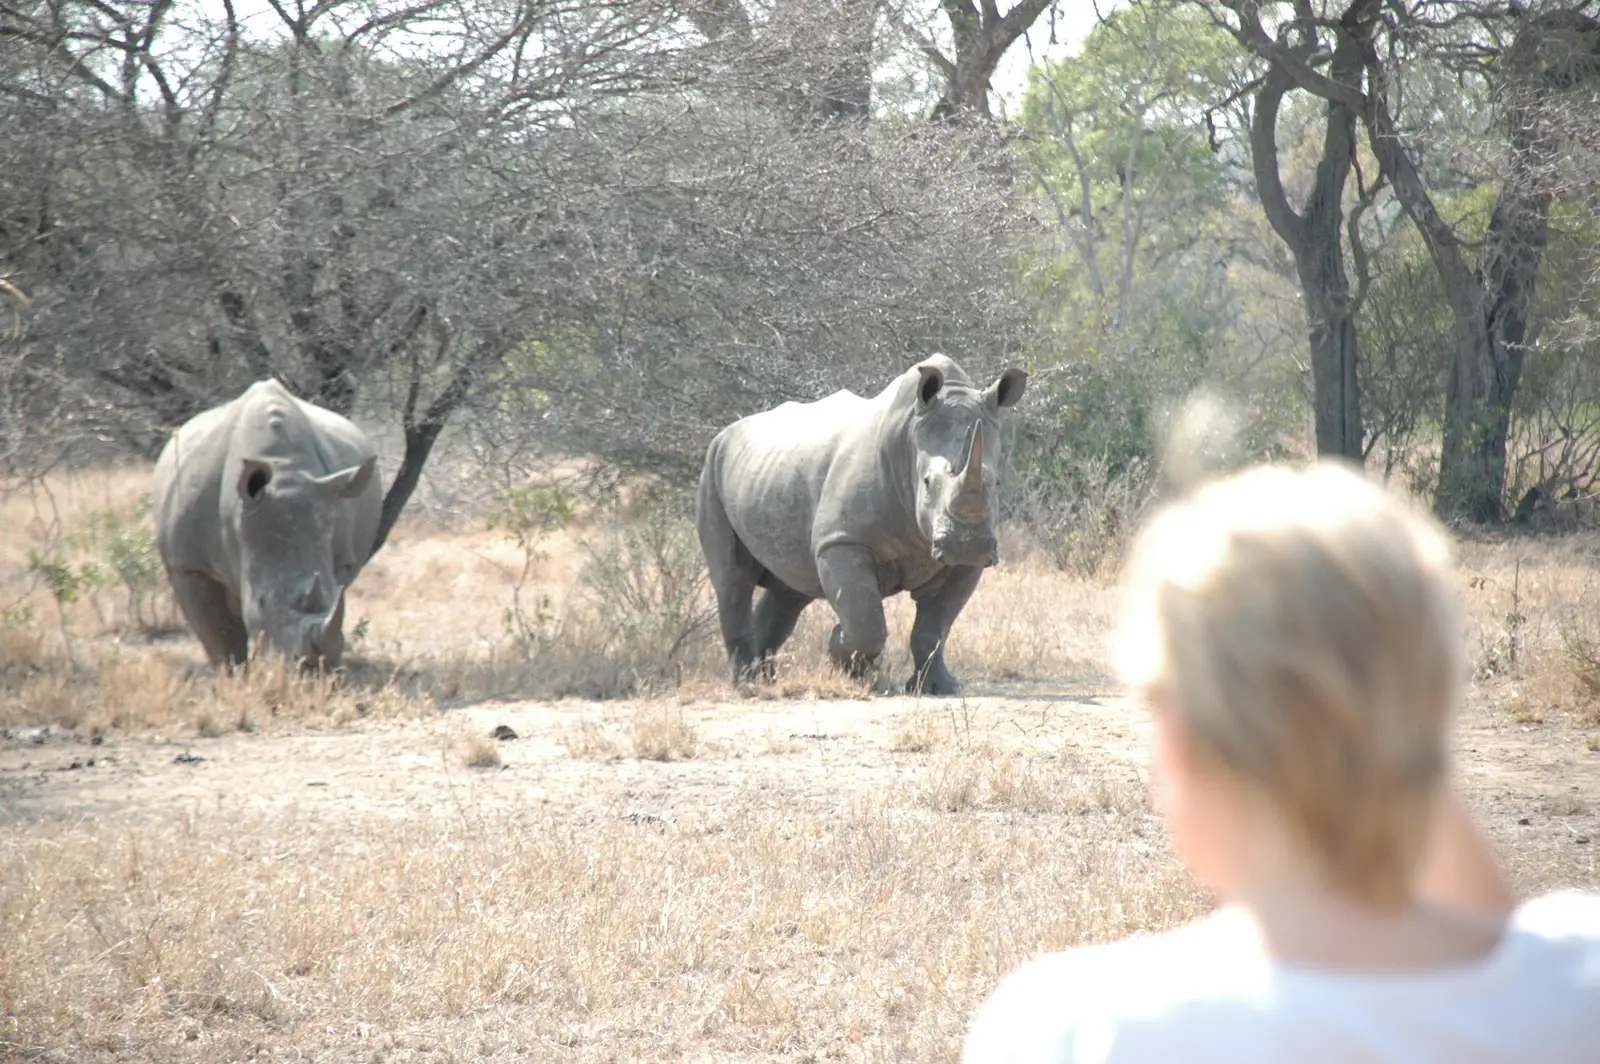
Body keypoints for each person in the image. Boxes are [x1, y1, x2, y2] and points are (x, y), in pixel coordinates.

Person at [962, 461, 1600, 1064]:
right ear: (1429, 702)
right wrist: (1384, 725)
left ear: (1180, 746)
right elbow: (1500, 944)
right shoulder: (1577, 989)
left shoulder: (1070, 1029)